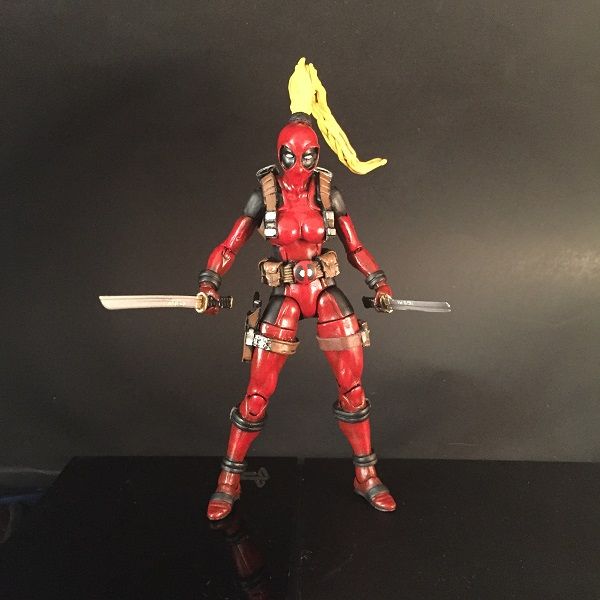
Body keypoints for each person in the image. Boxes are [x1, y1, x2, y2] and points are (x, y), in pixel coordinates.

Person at [199, 58, 396, 520]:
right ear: (279, 151)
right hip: (285, 297)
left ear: (317, 156)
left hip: (325, 292)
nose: (299, 165)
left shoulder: (328, 194)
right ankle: (228, 480)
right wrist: (210, 282)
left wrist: (379, 282)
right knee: (256, 394)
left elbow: (355, 247)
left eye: (308, 156)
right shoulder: (264, 195)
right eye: (290, 155)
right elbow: (230, 245)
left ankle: (366, 475)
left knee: (354, 389)